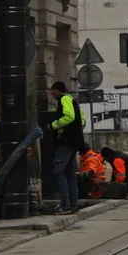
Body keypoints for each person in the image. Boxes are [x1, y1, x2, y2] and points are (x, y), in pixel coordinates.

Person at [50, 81, 85, 214]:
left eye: (53, 90)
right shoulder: (70, 99)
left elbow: (69, 116)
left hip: (67, 141)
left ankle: (65, 205)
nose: (52, 93)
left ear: (58, 90)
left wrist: (53, 125)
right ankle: (73, 204)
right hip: (74, 141)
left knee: (58, 170)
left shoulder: (65, 99)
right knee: (69, 173)